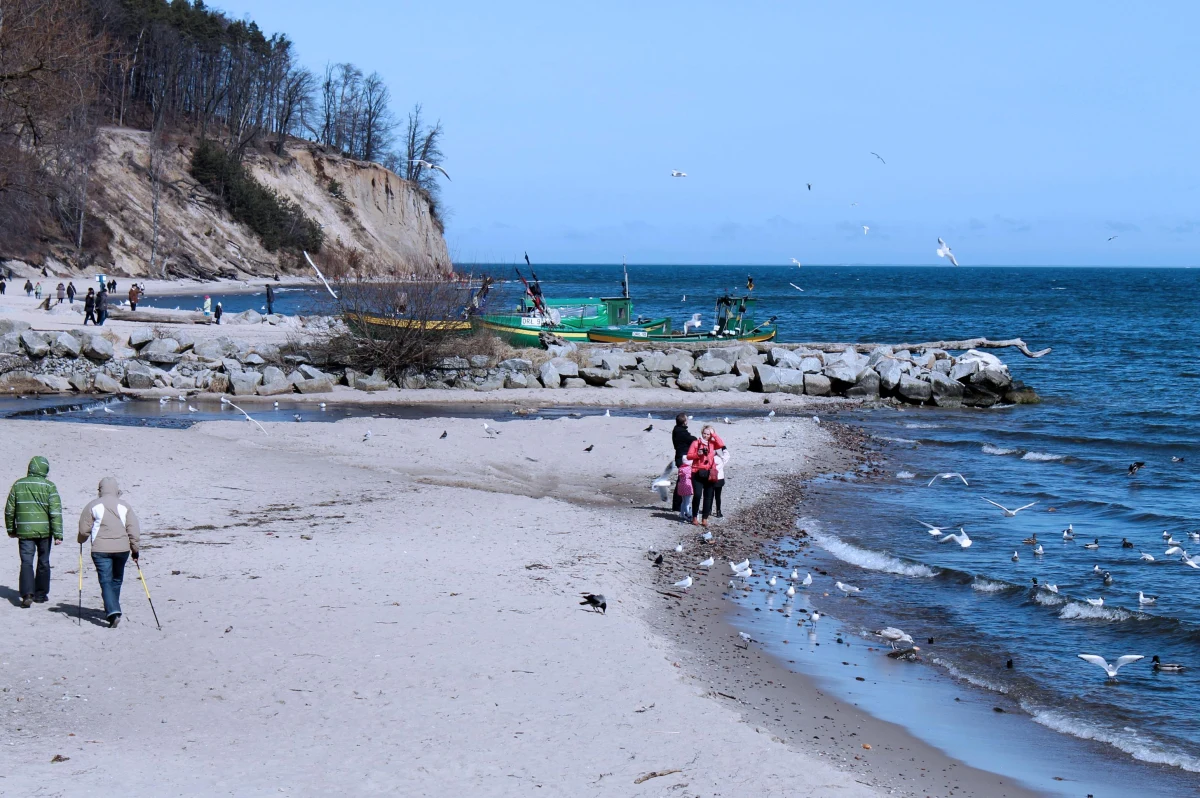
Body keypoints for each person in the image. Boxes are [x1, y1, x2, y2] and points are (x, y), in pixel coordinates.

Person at [77, 477, 141, 628]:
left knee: (105, 580)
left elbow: (83, 530)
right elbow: (134, 531)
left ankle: (112, 611)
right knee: (116, 580)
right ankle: (113, 610)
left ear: (100, 489)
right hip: (122, 549)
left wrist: (81, 540)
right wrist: (135, 550)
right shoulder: (125, 506)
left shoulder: (93, 505)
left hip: (100, 550)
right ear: (116, 489)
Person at [5, 456, 64, 608]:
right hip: (45, 531)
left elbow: (9, 510)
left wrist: (11, 528)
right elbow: (55, 512)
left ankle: (26, 594)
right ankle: (41, 594)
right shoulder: (49, 486)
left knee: (26, 562)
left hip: (24, 531)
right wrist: (58, 534)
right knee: (43, 561)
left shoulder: (18, 485)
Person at [686, 425, 726, 527]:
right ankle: (694, 517)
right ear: (701, 433)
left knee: (708, 496)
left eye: (708, 434)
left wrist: (714, 434)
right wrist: (698, 454)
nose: (706, 436)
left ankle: (705, 518)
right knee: (698, 495)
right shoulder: (696, 443)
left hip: (709, 473)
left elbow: (721, 444)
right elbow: (689, 456)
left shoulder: (712, 444)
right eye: (705, 433)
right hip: (697, 472)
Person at [670, 413, 696, 513]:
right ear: (684, 421)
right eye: (686, 419)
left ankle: (678, 505)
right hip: (682, 458)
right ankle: (677, 505)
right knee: (682, 481)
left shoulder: (678, 429)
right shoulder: (680, 431)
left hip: (681, 457)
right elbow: (692, 439)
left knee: (681, 481)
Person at [713, 446, 730, 519]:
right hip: (719, 479)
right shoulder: (721, 459)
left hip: (710, 479)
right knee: (718, 496)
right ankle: (718, 511)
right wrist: (723, 448)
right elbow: (727, 456)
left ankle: (708, 510)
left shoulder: (709, 459)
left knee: (709, 496)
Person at [675, 456, 694, 523]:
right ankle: (688, 514)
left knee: (683, 501)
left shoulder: (681, 468)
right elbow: (691, 476)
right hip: (687, 486)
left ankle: (682, 514)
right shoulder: (689, 469)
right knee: (687, 502)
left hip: (681, 486)